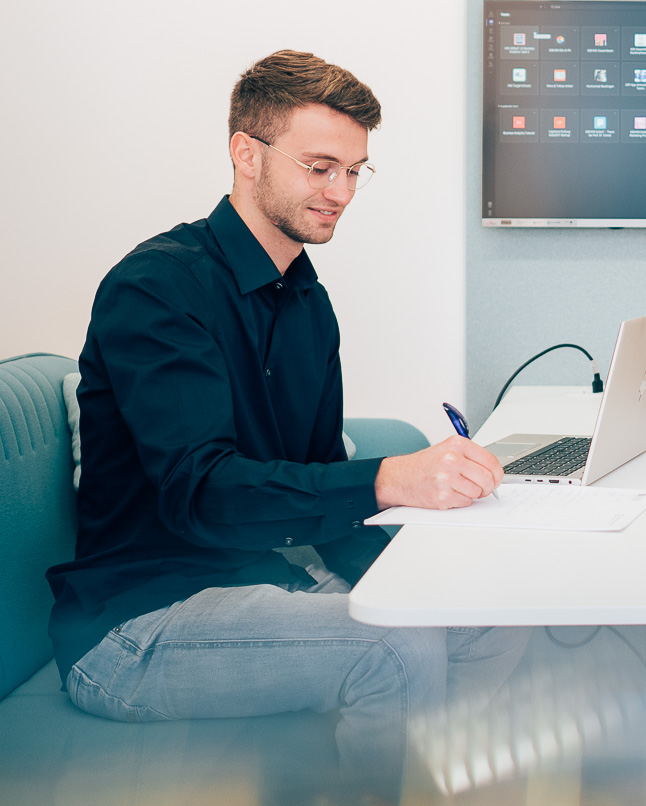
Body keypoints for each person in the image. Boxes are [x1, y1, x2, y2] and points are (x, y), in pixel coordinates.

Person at [47, 50, 523, 800]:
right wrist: (391, 479)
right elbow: (203, 496)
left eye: (356, 171)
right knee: (396, 655)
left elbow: (318, 494)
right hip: (139, 624)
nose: (342, 192)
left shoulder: (307, 303)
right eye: (320, 167)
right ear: (247, 153)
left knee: (492, 619)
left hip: (261, 583)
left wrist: (423, 581)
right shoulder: (157, 289)